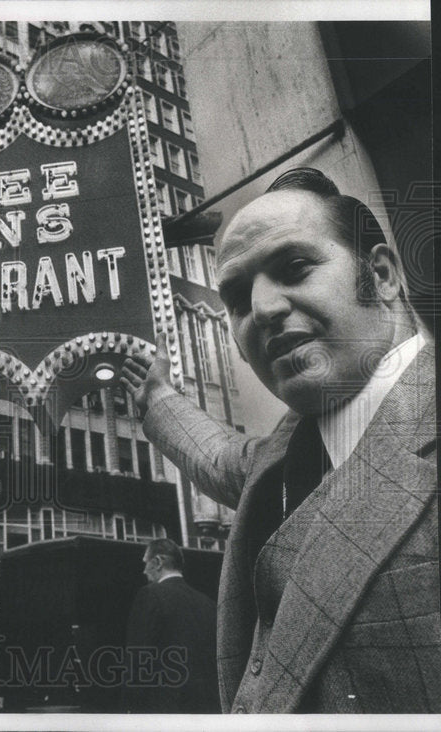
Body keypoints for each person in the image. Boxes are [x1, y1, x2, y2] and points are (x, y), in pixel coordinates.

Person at [121, 168, 438, 713]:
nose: (263, 309)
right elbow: (223, 460)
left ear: (382, 274)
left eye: (295, 268)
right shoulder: (290, 450)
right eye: (239, 297)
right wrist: (155, 396)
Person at [124, 539, 220, 713]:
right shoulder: (208, 603)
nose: (144, 571)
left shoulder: (149, 595)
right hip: (208, 708)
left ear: (159, 562)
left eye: (146, 563)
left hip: (164, 709)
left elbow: (139, 657)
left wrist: (132, 704)